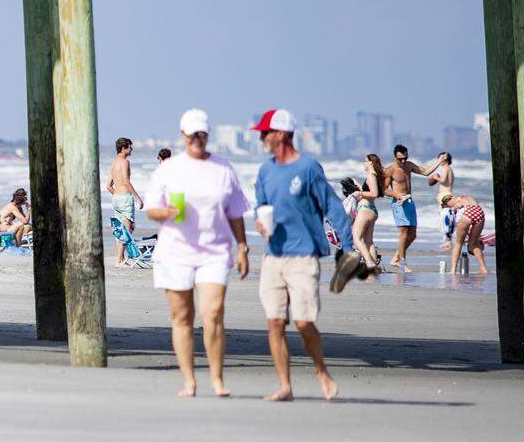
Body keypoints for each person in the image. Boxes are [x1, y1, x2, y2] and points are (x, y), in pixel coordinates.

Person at [144, 109, 249, 398]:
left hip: (214, 250)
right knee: (182, 316)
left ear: (208, 135)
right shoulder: (169, 169)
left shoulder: (223, 169)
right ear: (183, 136)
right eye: (191, 135)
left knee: (212, 312)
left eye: (201, 134)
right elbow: (151, 208)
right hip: (176, 250)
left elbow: (236, 212)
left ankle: (217, 379)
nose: (197, 139)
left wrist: (242, 247)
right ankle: (189, 381)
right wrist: (166, 212)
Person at [252, 108, 351, 402]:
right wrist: (260, 223)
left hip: (304, 256)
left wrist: (346, 247)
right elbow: (262, 206)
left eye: (265, 133)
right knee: (274, 322)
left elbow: (332, 206)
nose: (261, 138)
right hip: (273, 257)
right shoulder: (265, 171)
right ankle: (285, 385)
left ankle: (322, 372)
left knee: (304, 322)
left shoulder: (308, 168)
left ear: (281, 134)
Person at [383, 145, 445, 272]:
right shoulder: (390, 170)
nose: (403, 161)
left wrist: (439, 161)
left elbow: (426, 172)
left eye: (405, 158)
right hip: (399, 203)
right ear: (395, 157)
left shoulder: (409, 165)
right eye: (400, 159)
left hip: (410, 202)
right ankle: (402, 263)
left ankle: (396, 257)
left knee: (412, 235)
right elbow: (383, 190)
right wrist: (397, 195)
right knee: (403, 234)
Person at [107, 137, 145, 268]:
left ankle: (122, 258)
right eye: (129, 147)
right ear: (123, 149)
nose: (131, 149)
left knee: (120, 229)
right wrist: (137, 198)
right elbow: (126, 181)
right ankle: (119, 260)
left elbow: (108, 186)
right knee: (127, 229)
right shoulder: (125, 162)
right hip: (124, 197)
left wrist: (117, 196)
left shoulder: (113, 163)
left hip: (116, 198)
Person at [347, 154, 384, 271]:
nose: (364, 163)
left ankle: (369, 263)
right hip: (371, 210)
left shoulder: (371, 175)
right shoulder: (374, 175)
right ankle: (373, 266)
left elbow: (374, 193)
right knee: (368, 241)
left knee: (356, 238)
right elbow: (371, 191)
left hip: (365, 210)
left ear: (371, 163)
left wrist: (359, 194)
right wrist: (359, 186)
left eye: (365, 161)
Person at [441, 193, 489, 274]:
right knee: (473, 244)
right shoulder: (468, 197)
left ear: (447, 201)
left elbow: (457, 210)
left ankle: (453, 271)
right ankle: (483, 269)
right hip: (479, 213)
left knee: (458, 243)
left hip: (468, 213)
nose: (449, 207)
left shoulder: (454, 200)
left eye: (447, 205)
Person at [428, 151, 455, 242]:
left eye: (441, 158)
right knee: (445, 216)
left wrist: (436, 177)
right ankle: (446, 237)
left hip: (445, 194)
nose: (439, 160)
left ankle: (447, 239)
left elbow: (443, 181)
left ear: (445, 160)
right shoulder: (448, 169)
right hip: (446, 194)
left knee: (444, 217)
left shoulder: (446, 169)